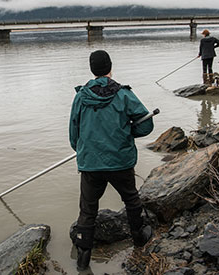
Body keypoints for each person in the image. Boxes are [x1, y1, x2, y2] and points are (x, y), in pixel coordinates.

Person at [69, 50, 154, 271]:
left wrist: (83, 151)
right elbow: (146, 125)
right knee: (131, 199)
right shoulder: (124, 95)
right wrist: (126, 132)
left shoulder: (80, 97)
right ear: (110, 68)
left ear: (92, 69)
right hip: (120, 161)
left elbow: (73, 133)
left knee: (88, 210)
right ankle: (139, 238)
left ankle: (83, 259)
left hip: (91, 163)